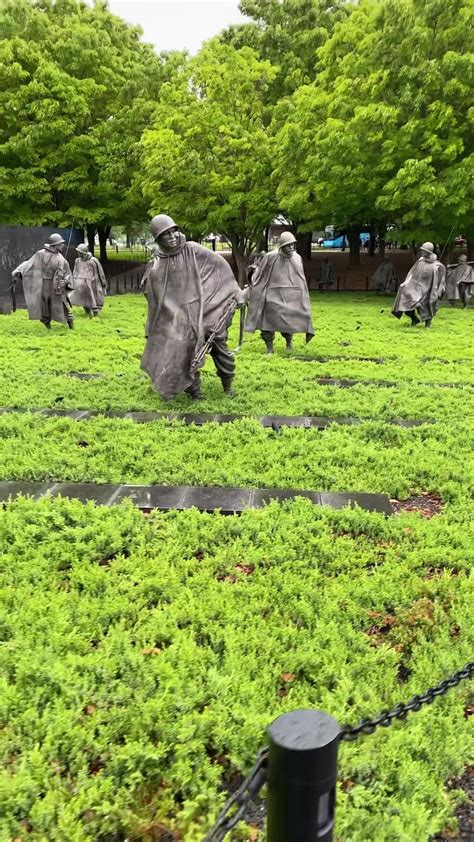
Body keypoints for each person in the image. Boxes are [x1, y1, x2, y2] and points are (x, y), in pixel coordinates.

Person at [141, 214, 248, 400]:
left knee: (219, 348)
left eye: (174, 231)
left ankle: (227, 384)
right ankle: (195, 392)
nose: (172, 236)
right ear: (158, 239)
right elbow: (157, 301)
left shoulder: (192, 249)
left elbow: (219, 267)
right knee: (185, 354)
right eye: (166, 234)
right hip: (182, 319)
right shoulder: (158, 267)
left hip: (207, 312)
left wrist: (235, 292)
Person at [245, 231, 314, 353]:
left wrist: (302, 296)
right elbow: (261, 273)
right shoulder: (271, 257)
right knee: (267, 322)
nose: (291, 247)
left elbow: (300, 279)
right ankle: (270, 347)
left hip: (291, 296)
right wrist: (254, 276)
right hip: (272, 295)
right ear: (282, 246)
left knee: (289, 321)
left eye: (293, 244)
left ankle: (289, 342)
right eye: (288, 245)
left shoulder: (297, 258)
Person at [11, 233, 74, 330]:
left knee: (63, 305)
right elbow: (29, 263)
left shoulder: (61, 259)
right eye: (60, 243)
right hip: (43, 285)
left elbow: (67, 273)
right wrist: (18, 270)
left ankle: (71, 325)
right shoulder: (40, 254)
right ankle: (48, 326)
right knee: (44, 307)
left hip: (56, 286)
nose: (63, 245)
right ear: (55, 245)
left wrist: (66, 281)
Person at [392, 242, 446, 328]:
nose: (422, 252)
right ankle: (414, 319)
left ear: (429, 252)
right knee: (404, 297)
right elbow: (412, 274)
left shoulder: (437, 266)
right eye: (421, 250)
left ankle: (428, 323)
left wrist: (439, 290)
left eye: (423, 250)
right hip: (416, 287)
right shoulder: (420, 261)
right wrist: (406, 284)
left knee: (425, 304)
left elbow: (441, 281)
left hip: (428, 290)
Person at [70, 244, 107, 317]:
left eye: (79, 252)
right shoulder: (77, 261)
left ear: (84, 253)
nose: (78, 253)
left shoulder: (93, 261)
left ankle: (96, 312)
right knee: (84, 298)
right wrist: (74, 281)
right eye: (78, 252)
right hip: (81, 283)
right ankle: (87, 311)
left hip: (93, 283)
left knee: (95, 298)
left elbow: (100, 272)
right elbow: (75, 271)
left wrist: (103, 282)